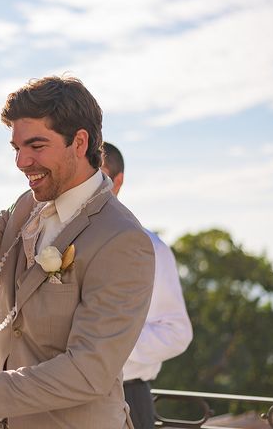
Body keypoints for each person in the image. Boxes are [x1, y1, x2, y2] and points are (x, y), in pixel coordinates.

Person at [0, 76, 155, 429]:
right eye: (16, 148)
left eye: (36, 146)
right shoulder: (27, 207)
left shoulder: (122, 239)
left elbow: (89, 372)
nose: (22, 162)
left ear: (80, 142)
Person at [101, 142, 193, 429]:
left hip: (127, 396)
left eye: (100, 177)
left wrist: (106, 347)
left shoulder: (150, 248)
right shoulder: (59, 241)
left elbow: (177, 332)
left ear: (119, 181)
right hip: (59, 396)